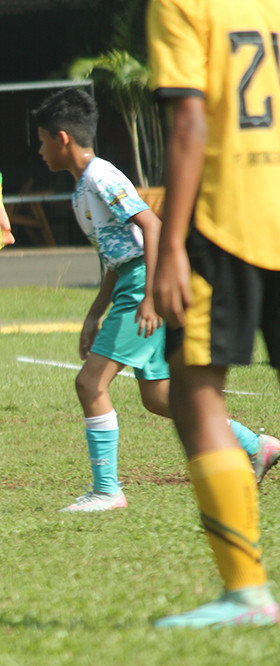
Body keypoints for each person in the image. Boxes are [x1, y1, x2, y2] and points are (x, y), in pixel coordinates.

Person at [32, 88, 278, 513]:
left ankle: (107, 490)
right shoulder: (80, 190)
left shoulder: (100, 177)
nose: (39, 151)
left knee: (90, 383)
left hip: (142, 283)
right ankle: (258, 447)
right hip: (131, 280)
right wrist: (94, 313)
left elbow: (153, 227)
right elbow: (116, 255)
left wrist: (148, 299)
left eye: (41, 140)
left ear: (62, 138)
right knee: (161, 396)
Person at [147, 0, 280, 627]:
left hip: (224, 226)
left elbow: (190, 126)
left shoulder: (182, 4)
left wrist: (170, 245)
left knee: (196, 395)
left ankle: (247, 592)